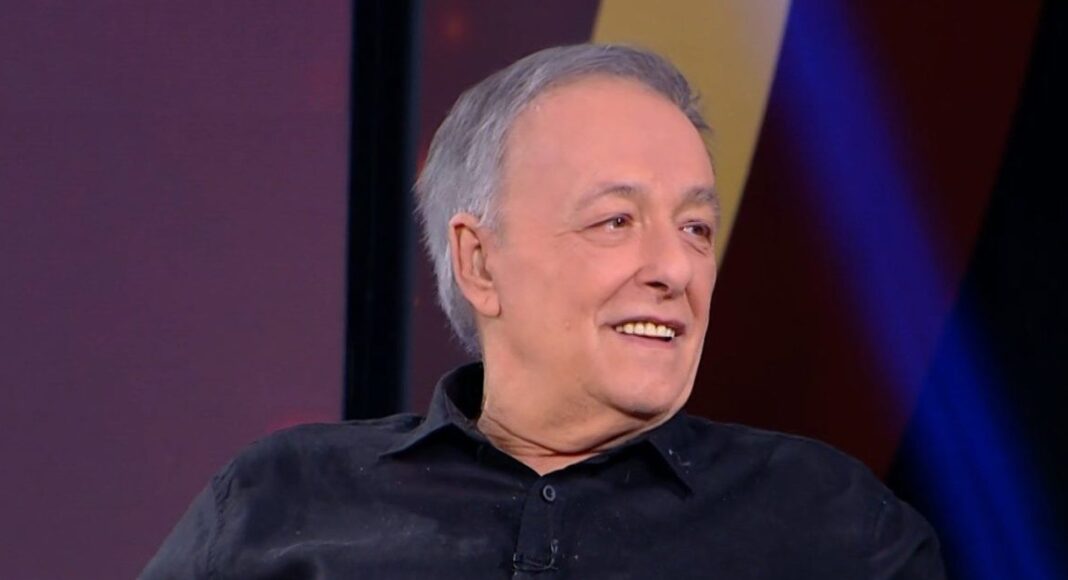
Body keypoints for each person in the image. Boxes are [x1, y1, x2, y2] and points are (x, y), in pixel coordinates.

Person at [141, 44, 944, 579]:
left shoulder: (833, 524)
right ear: (479, 261)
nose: (675, 269)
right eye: (615, 221)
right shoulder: (280, 501)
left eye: (696, 228)